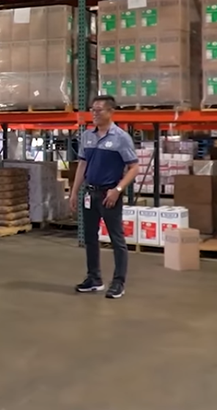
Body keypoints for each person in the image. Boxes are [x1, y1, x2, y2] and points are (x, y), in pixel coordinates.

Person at [68, 95, 140, 299]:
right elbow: (82, 165)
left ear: (111, 112)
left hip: (109, 195)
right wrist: (74, 192)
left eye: (99, 110)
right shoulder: (87, 136)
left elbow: (134, 168)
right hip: (89, 193)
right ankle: (94, 279)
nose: (95, 113)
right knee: (90, 238)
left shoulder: (121, 138)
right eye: (93, 110)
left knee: (117, 239)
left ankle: (118, 282)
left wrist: (118, 189)